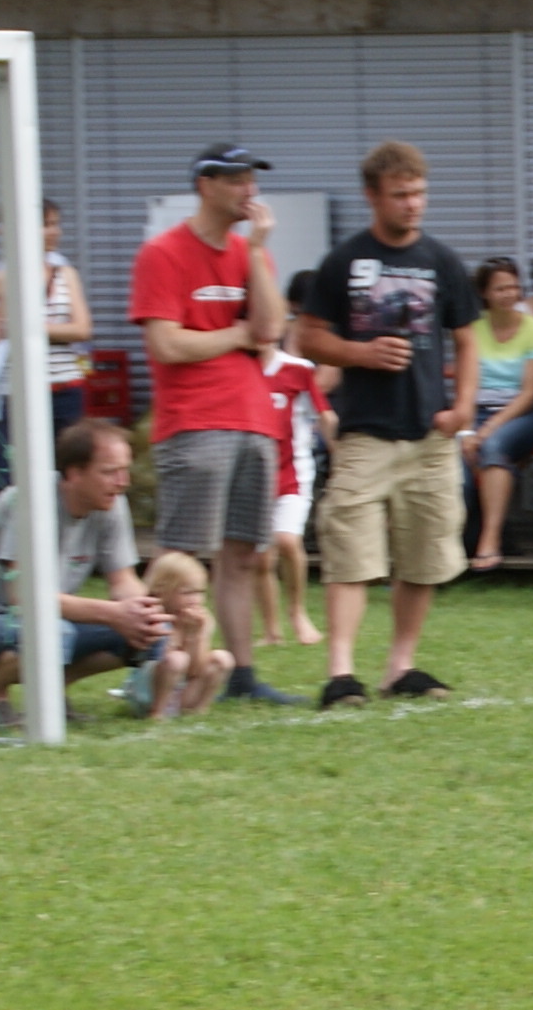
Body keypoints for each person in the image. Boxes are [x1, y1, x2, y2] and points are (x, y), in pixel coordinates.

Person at [294, 139, 481, 705]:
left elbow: (467, 339)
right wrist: (362, 353)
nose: (413, 204)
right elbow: (309, 337)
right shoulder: (344, 261)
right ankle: (341, 674)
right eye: (400, 195)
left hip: (429, 435)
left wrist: (463, 406)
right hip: (366, 433)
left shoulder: (442, 261)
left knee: (424, 554)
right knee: (351, 551)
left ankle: (401, 667)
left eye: (419, 193)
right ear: (372, 196)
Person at [131, 142, 297, 706]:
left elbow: (269, 330)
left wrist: (258, 251)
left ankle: (241, 676)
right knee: (180, 562)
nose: (249, 190)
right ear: (205, 185)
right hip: (194, 422)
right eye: (236, 180)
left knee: (244, 556)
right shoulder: (162, 253)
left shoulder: (252, 253)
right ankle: (155, 672)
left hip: (253, 419)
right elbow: (167, 344)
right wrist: (236, 335)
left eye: (253, 178)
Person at [0, 416, 161, 727]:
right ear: (74, 473)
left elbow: (123, 580)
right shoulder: (30, 501)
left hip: (52, 621)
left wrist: (149, 612)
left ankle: (54, 690)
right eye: (109, 472)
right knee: (55, 633)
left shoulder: (112, 503)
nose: (123, 481)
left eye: (125, 470)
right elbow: (23, 596)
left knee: (153, 632)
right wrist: (113, 613)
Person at [463, 257, 533, 570]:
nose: (509, 294)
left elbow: (530, 394)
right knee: (455, 467)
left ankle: (489, 542)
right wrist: (467, 431)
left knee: (493, 447)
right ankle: (456, 547)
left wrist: (486, 430)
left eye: (514, 287)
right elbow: (466, 388)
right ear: (484, 293)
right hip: (477, 413)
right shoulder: (472, 329)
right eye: (500, 288)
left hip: (523, 416)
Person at [0, 198, 92, 449]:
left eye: (57, 224)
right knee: (18, 462)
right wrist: (58, 331)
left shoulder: (66, 273)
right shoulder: (6, 275)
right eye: (46, 225)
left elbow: (83, 329)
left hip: (66, 388)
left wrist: (35, 329)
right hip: (21, 391)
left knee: (67, 462)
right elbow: (5, 333)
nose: (56, 232)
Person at [260, 279, 330, 647]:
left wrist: (340, 450)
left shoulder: (298, 369)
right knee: (260, 557)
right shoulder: (237, 370)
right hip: (253, 474)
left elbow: (324, 414)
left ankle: (298, 613)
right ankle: (271, 630)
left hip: (293, 470)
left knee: (287, 541)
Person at [130, 552, 235, 718]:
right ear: (161, 591)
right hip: (149, 691)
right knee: (177, 659)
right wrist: (179, 635)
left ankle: (199, 709)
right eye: (187, 592)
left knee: (223, 658)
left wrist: (194, 636)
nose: (196, 599)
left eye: (200, 592)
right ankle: (156, 712)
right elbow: (163, 660)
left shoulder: (203, 620)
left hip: (181, 690)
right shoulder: (154, 617)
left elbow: (195, 670)